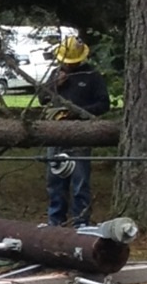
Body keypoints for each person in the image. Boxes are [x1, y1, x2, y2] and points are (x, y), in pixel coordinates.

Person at [40, 36, 111, 228]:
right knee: (55, 182)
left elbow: (104, 104)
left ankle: (81, 222)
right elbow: (41, 99)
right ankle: (56, 221)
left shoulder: (92, 76)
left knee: (80, 183)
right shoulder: (56, 73)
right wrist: (55, 85)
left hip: (80, 136)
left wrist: (80, 113)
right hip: (55, 133)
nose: (68, 65)